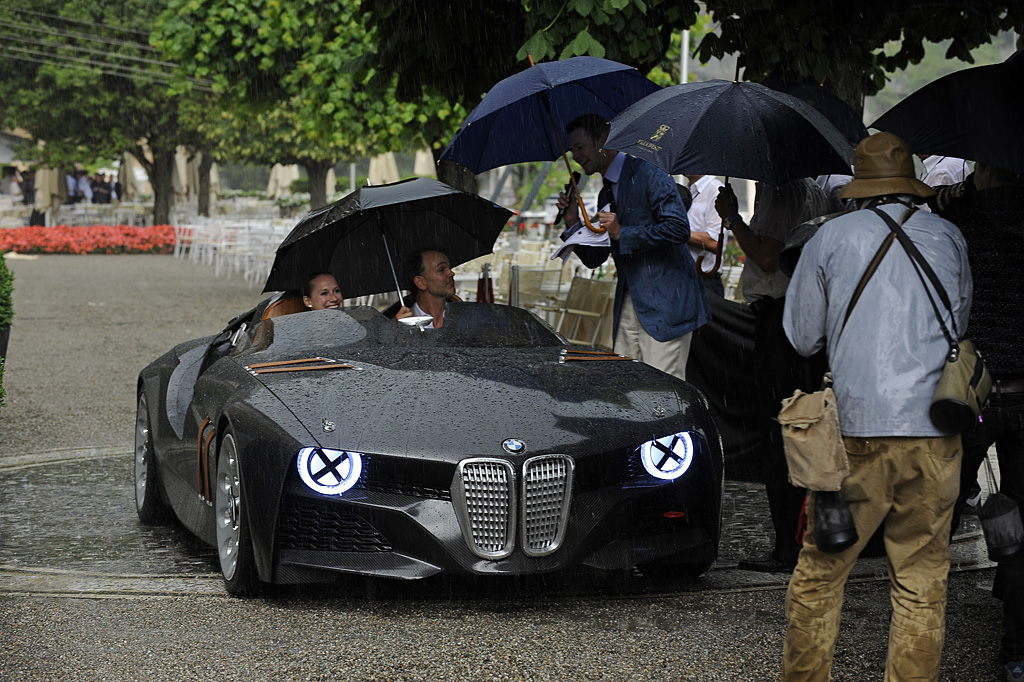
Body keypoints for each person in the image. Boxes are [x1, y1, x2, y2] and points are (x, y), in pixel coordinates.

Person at [781, 132, 971, 681]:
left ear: (858, 188)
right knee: (922, 580)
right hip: (936, 430)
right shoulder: (949, 236)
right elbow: (957, 326)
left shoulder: (831, 238)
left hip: (855, 438)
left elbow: (800, 337)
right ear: (910, 184)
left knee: (820, 575)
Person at [931, 162, 1024, 682]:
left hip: (972, 390)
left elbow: (937, 204)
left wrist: (968, 190)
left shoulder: (964, 218)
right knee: (1018, 524)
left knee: (939, 513)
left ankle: (922, 638)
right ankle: (1014, 651)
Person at [714, 178, 830, 572]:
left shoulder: (783, 190)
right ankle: (801, 535)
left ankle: (790, 544)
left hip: (782, 319)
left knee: (784, 430)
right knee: (798, 426)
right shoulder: (808, 189)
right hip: (796, 315)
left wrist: (732, 218)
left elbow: (768, 257)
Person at [554, 114, 709, 381]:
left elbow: (678, 229)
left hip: (666, 307)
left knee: (664, 395)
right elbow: (596, 257)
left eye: (580, 147)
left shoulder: (649, 172)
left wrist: (623, 232)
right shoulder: (605, 193)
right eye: (572, 150)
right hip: (629, 305)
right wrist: (572, 222)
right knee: (629, 391)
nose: (576, 156)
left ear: (603, 141)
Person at [394, 249, 461, 328]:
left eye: (449, 268)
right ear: (421, 282)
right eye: (441, 269)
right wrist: (401, 335)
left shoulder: (465, 316)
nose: (451, 273)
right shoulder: (402, 325)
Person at [684, 174, 726, 297]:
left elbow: (715, 243)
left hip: (705, 280)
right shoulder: (685, 191)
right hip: (681, 279)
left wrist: (677, 232)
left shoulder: (715, 190)